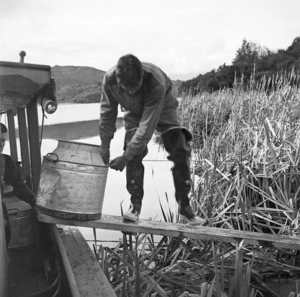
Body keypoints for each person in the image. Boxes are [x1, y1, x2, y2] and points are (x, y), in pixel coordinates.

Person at [99, 54, 205, 225]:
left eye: (136, 87)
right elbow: (107, 113)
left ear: (142, 75)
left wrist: (125, 158)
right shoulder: (109, 81)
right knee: (133, 150)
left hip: (163, 106)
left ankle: (185, 208)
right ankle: (135, 206)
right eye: (128, 89)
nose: (132, 92)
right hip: (133, 112)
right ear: (118, 81)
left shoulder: (155, 82)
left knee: (179, 147)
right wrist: (105, 145)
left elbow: (146, 129)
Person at [0, 123, 36, 244]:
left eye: (3, 140)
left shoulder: (7, 162)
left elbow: (19, 186)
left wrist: (34, 200)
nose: (1, 145)